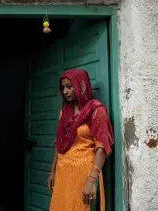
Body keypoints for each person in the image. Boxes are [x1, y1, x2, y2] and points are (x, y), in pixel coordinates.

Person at [48, 69, 114, 211]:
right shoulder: (65, 111)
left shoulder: (96, 110)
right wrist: (52, 171)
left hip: (84, 174)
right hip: (63, 173)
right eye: (63, 87)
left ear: (80, 85)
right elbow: (58, 143)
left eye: (69, 87)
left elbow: (101, 146)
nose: (65, 92)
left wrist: (91, 180)